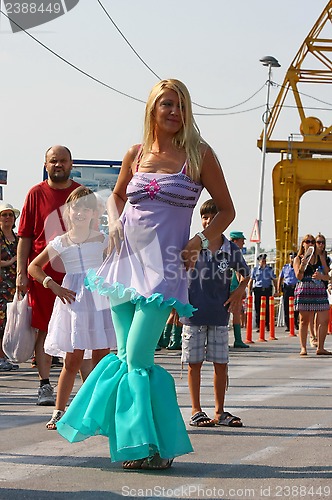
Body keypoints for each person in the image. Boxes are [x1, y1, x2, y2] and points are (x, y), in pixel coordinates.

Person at [57, 79, 235, 470]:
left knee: (137, 358)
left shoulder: (199, 154)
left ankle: (158, 446)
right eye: (167, 104)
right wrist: (114, 220)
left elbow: (226, 210)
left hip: (165, 267)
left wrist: (199, 242)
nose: (174, 112)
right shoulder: (135, 155)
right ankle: (139, 446)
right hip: (122, 264)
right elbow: (117, 196)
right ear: (153, 109)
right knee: (124, 358)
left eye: (181, 106)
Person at [28, 186, 115, 429]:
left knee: (101, 358)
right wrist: (52, 285)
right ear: (68, 211)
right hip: (73, 300)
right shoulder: (61, 242)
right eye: (76, 208)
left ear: (94, 213)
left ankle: (100, 411)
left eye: (86, 209)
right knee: (72, 359)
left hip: (99, 300)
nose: (80, 213)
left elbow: (118, 265)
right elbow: (34, 266)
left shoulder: (103, 240)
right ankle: (59, 411)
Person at [16, 145, 81, 405]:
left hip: (75, 274)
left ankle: (80, 387)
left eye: (62, 161)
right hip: (42, 273)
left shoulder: (79, 194)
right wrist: (22, 271)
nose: (58, 165)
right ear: (46, 164)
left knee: (77, 330)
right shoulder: (35, 193)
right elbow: (25, 237)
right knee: (43, 329)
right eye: (53, 161)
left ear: (70, 163)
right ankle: (44, 384)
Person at [181, 199, 249, 428]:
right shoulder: (191, 244)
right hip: (193, 313)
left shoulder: (231, 249)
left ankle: (219, 411)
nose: (208, 221)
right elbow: (175, 269)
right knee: (194, 363)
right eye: (205, 217)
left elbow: (245, 274)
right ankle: (196, 410)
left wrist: (239, 290)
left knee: (221, 364)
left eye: (213, 216)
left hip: (220, 314)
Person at [293, 234, 331, 356]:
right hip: (305, 288)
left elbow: (328, 275)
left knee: (324, 319)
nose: (310, 243)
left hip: (319, 288)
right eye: (307, 241)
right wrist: (303, 265)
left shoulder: (320, 257)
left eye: (312, 241)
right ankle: (303, 347)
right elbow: (298, 276)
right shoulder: (298, 258)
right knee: (304, 320)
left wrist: (321, 274)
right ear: (303, 244)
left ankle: (320, 347)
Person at [0, 203, 20, 371]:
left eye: (10, 215)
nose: (7, 218)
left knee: (9, 321)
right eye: (4, 214)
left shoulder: (18, 238)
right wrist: (10, 262)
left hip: (13, 286)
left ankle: (5, 356)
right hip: (1, 284)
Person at [229, 230, 249, 348]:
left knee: (235, 312)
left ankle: (238, 339)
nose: (243, 244)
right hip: (232, 286)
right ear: (235, 241)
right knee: (235, 312)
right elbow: (239, 272)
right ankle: (238, 340)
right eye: (242, 241)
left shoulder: (227, 250)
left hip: (230, 285)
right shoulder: (235, 253)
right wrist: (241, 288)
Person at [248, 253, 277, 332]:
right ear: (259, 261)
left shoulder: (269, 269)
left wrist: (277, 290)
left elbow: (274, 280)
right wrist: (249, 292)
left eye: (264, 260)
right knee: (258, 308)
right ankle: (259, 326)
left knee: (267, 308)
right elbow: (251, 281)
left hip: (267, 290)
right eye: (262, 261)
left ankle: (268, 325)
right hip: (258, 290)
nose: (263, 262)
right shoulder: (255, 270)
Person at [277, 251, 299, 332]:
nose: (292, 259)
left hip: (296, 287)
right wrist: (278, 289)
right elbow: (280, 278)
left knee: (296, 306)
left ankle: (295, 322)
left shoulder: (298, 267)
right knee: (286, 306)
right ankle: (288, 325)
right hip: (287, 288)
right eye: (291, 258)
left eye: (294, 258)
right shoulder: (285, 267)